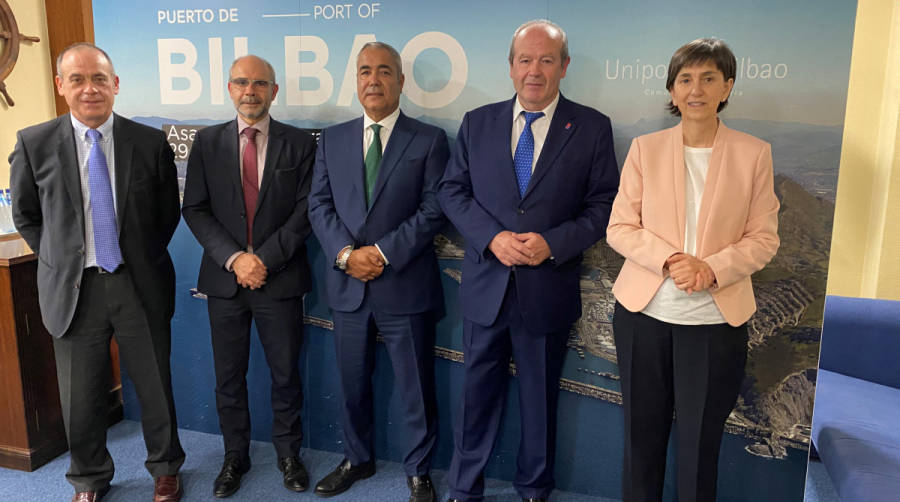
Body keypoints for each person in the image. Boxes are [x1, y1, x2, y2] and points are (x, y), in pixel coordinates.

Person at [438, 20, 619, 502]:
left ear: (564, 66)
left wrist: (554, 243)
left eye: (545, 60)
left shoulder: (592, 127)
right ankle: (464, 487)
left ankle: (535, 488)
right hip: (486, 286)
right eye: (524, 60)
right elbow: (451, 191)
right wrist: (491, 237)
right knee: (475, 395)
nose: (533, 71)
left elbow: (603, 205)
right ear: (511, 66)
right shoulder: (477, 122)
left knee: (539, 401)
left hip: (547, 286)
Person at [606, 38, 780, 502]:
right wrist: (670, 261)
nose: (696, 89)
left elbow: (764, 238)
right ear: (672, 88)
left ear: (727, 87)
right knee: (640, 443)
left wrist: (711, 268)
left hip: (714, 323)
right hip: (643, 317)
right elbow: (620, 227)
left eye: (708, 78)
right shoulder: (646, 149)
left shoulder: (754, 153)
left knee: (700, 448)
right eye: (686, 79)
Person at [9, 42, 185, 502]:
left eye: (99, 79)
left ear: (116, 84)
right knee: (80, 395)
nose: (90, 90)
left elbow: (167, 212)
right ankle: (88, 478)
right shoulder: (34, 143)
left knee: (154, 384)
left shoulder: (148, 142)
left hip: (137, 283)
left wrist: (138, 258)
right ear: (60, 86)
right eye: (78, 80)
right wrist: (60, 257)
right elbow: (28, 214)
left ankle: (166, 469)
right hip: (74, 288)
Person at [308, 41, 449, 502]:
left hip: (404, 284)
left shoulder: (428, 140)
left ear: (401, 81)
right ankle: (357, 458)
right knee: (351, 384)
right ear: (356, 80)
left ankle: (418, 470)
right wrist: (347, 255)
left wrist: (383, 253)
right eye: (365, 70)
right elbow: (319, 204)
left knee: (416, 389)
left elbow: (433, 210)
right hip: (348, 285)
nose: (374, 79)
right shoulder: (331, 139)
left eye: (385, 71)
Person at [181, 55, 316, 498]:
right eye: (242, 82)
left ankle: (288, 455)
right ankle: (234, 456)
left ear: (274, 91)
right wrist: (236, 258)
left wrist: (264, 260)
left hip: (279, 279)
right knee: (228, 377)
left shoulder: (300, 143)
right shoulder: (207, 142)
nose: (250, 90)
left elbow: (306, 212)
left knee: (285, 374)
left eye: (260, 83)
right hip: (224, 282)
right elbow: (195, 209)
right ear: (229, 87)